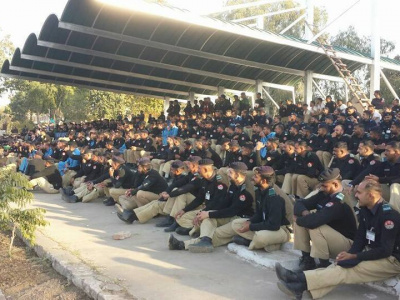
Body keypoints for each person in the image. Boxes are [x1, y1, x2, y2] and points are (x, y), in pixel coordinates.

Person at [275, 180, 400, 300]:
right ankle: (300, 286)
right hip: (373, 251)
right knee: (341, 264)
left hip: (391, 260)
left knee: (348, 269)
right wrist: (350, 254)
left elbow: (385, 250)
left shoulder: (388, 215)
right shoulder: (366, 210)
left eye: (359, 193)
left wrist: (355, 256)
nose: (355, 195)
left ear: (371, 195)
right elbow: (360, 238)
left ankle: (299, 279)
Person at [168, 162, 253, 253]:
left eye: (230, 172)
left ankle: (182, 245)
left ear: (238, 174)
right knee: (207, 220)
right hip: (230, 217)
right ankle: (204, 241)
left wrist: (209, 213)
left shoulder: (246, 190)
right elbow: (224, 203)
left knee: (213, 234)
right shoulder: (234, 184)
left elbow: (232, 211)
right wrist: (207, 213)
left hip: (239, 219)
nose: (228, 174)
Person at [293, 168, 357, 270]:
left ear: (335, 185)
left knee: (314, 226)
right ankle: (307, 260)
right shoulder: (324, 194)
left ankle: (323, 265)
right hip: (331, 238)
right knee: (303, 221)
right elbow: (299, 203)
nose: (321, 188)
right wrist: (305, 213)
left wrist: (299, 219)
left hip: (346, 244)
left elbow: (315, 221)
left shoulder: (340, 200)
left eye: (324, 185)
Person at [231, 166, 291, 251]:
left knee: (260, 236)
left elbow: (274, 225)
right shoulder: (259, 191)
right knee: (235, 223)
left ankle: (255, 243)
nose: (252, 178)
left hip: (280, 229)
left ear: (263, 181)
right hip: (266, 224)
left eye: (256, 177)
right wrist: (249, 221)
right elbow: (259, 214)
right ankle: (260, 242)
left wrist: (251, 227)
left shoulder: (274, 197)